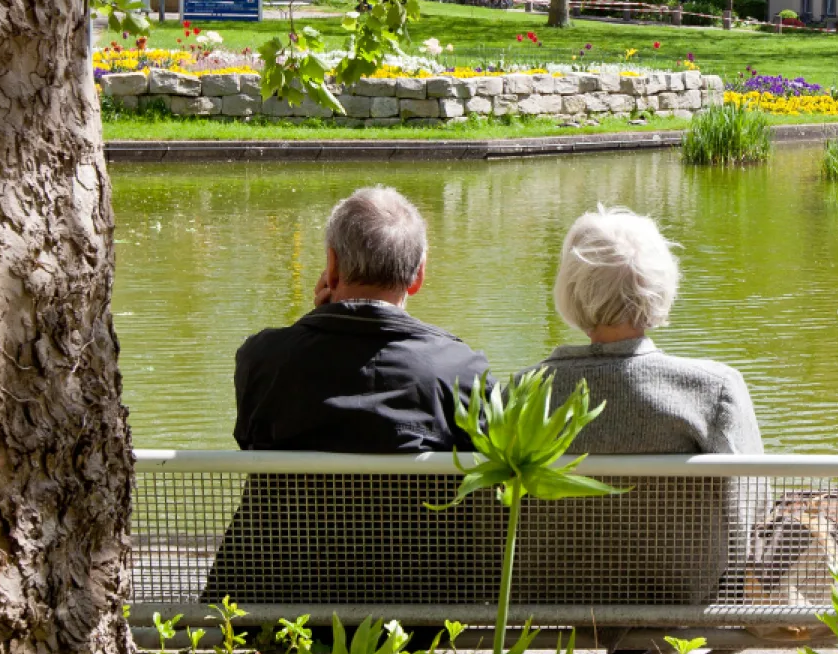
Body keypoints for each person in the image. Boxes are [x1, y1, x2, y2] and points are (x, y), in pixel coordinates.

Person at [232, 186, 487, 451]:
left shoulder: (261, 360)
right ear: (418, 276)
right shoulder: (462, 372)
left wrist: (318, 319)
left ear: (331, 266)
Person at [534, 206, 762, 455]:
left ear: (570, 291)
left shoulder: (524, 396)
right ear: (659, 286)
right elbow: (751, 491)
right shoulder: (715, 391)